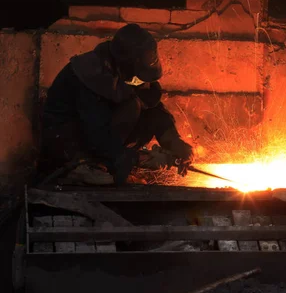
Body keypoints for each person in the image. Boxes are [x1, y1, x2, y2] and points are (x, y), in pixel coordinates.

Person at [40, 23, 194, 185]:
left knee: (139, 105)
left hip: (98, 136)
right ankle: (82, 169)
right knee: (132, 106)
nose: (144, 83)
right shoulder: (91, 74)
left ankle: (108, 166)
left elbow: (153, 108)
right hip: (68, 146)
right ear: (127, 64)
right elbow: (97, 135)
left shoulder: (122, 69)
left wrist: (175, 143)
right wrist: (141, 158)